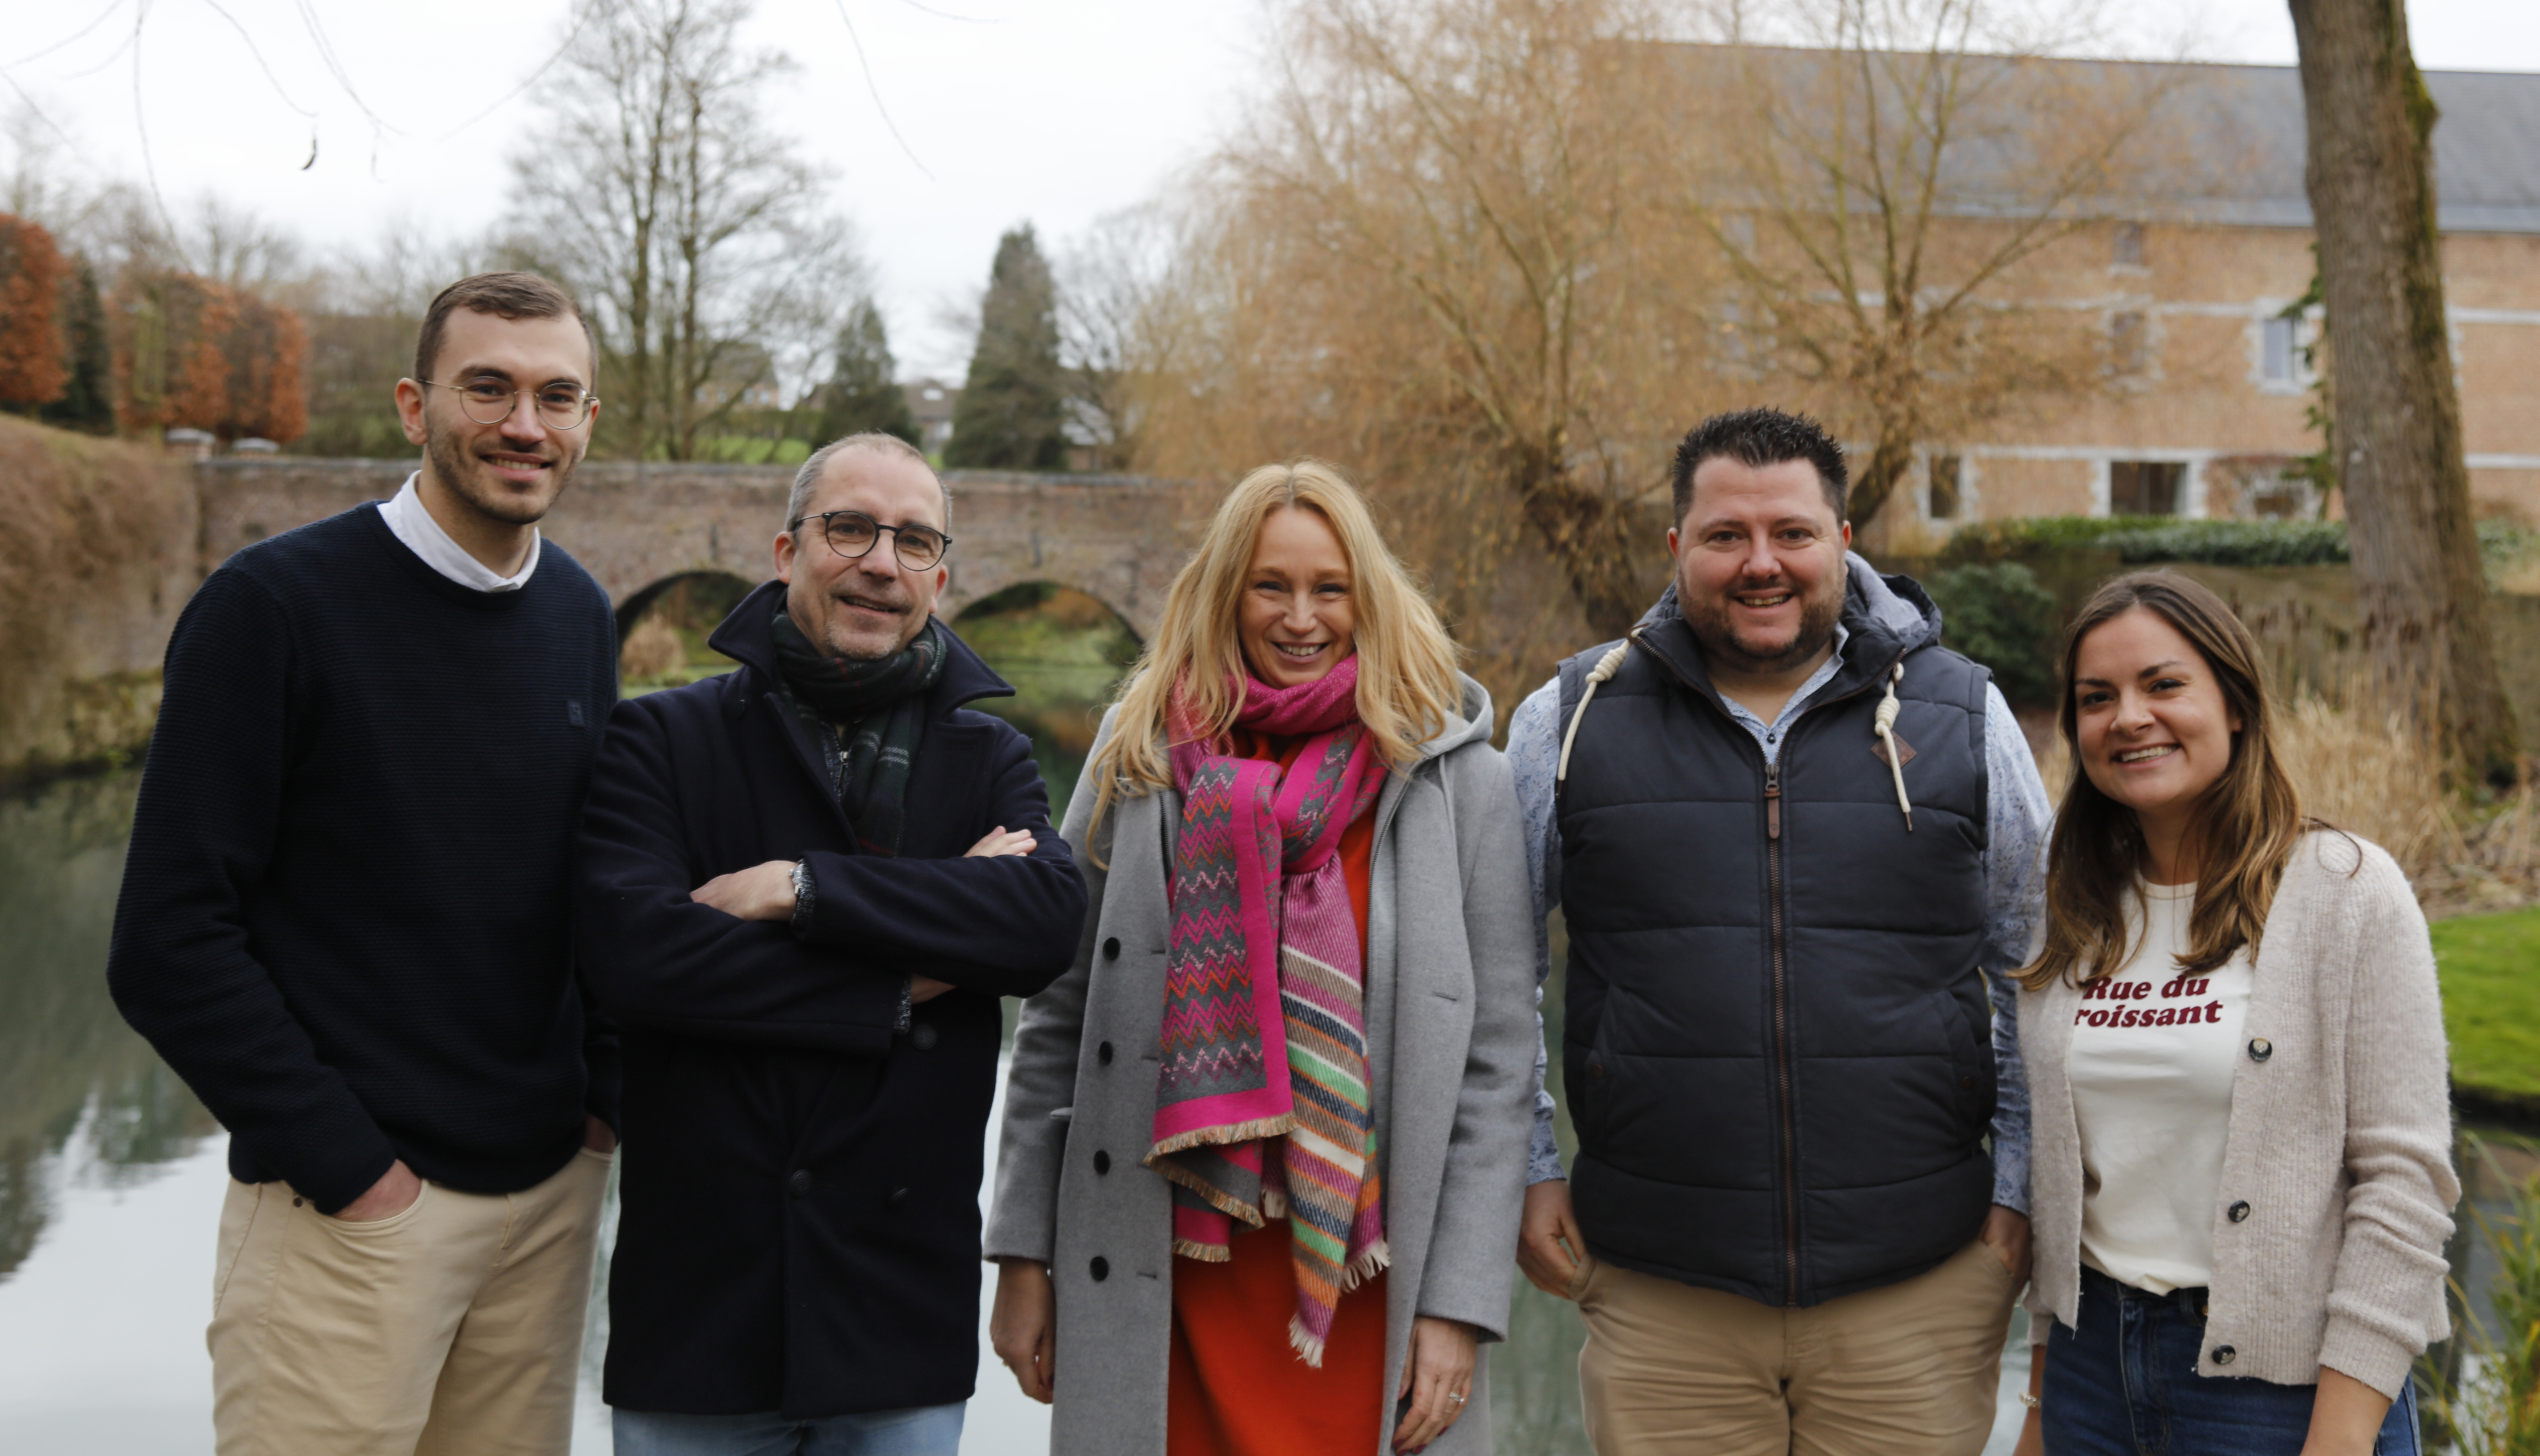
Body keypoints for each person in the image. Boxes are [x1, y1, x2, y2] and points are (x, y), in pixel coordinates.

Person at [106, 272, 620, 1456]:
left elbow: (581, 889)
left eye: (557, 395)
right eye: (486, 387)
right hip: (350, 1217)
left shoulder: (580, 615)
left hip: (544, 1206)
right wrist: (354, 1171)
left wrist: (599, 1105)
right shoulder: (273, 609)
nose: (523, 425)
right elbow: (168, 943)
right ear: (412, 405)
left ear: (591, 420)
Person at [1504, 407, 2049, 1454]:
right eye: (1726, 536)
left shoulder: (1963, 714)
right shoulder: (1569, 719)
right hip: (1664, 1294)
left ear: (1844, 542)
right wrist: (1530, 1166)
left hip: (1919, 1288)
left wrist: (2018, 1187)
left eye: (1793, 534)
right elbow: (1497, 974)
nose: (1762, 564)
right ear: (1678, 549)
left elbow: (2037, 963)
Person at [984, 460, 1536, 1456]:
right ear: (1224, 590)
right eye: (1270, 585)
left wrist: (1459, 1305)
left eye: (1331, 588)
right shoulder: (1138, 756)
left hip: (1369, 1278)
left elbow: (1499, 1068)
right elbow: (1056, 1020)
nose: (1301, 618)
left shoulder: (1460, 781)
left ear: (1368, 597)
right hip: (1164, 1267)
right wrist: (1022, 1252)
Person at [572, 431, 1088, 1455]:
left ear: (940, 577)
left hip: (896, 1305)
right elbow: (638, 958)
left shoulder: (989, 753)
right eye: (849, 529)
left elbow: (1038, 927)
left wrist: (796, 890)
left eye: (913, 541)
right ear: (785, 551)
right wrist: (907, 979)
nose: (880, 563)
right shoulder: (663, 740)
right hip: (702, 1311)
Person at [2011, 571, 2458, 1456]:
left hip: (2280, 1395)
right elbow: (2071, 1193)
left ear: (2238, 704)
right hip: (2089, 1372)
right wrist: (2037, 1403)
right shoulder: (2071, 907)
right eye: (2097, 698)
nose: (2128, 718)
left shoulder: (2344, 891)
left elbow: (2405, 1189)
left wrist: (2339, 1437)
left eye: (2164, 684)